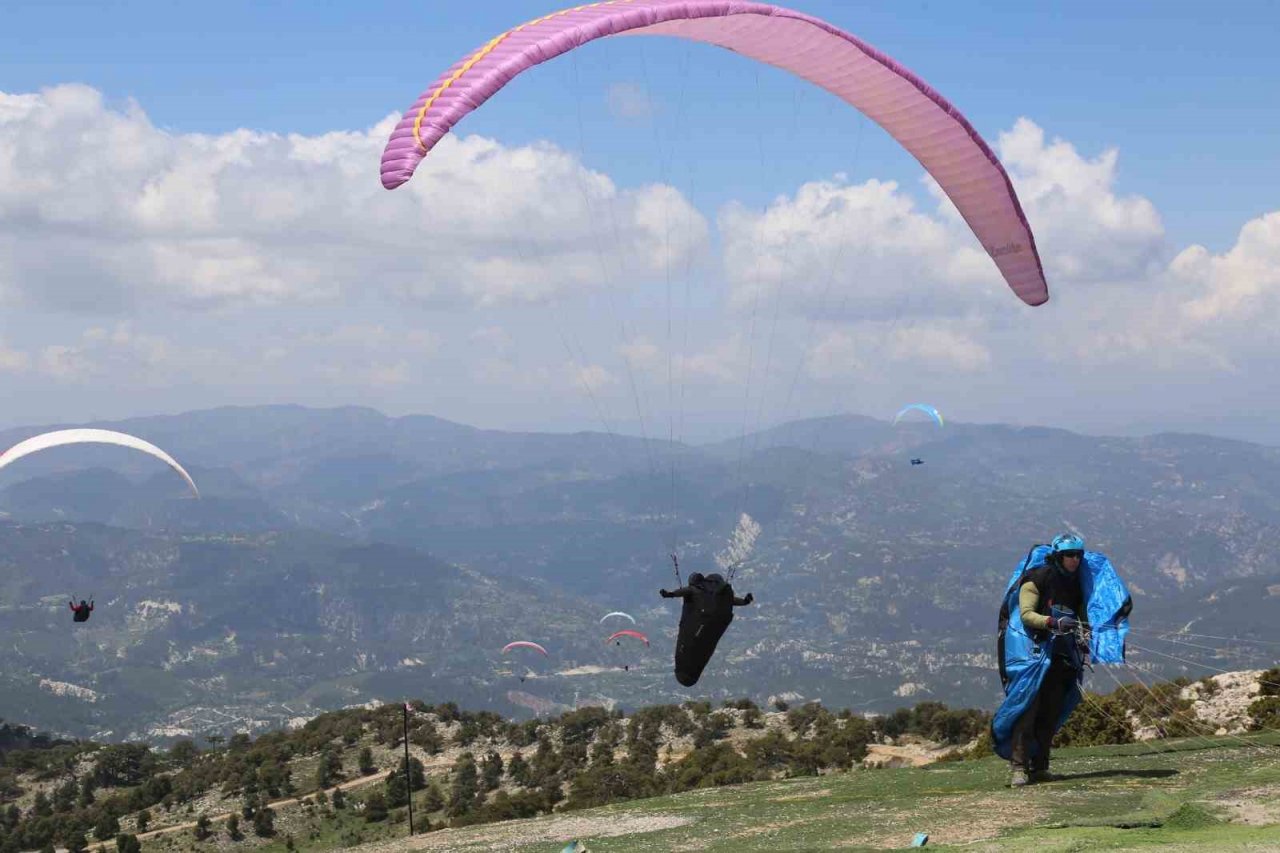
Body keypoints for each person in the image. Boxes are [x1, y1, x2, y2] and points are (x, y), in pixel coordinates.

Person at [1007, 533, 1090, 786]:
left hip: (1062, 657)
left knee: (1051, 712)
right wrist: (1051, 622)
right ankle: (1019, 769)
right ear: (1057, 556)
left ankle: (1040, 766)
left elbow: (1083, 617)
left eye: (1078, 555)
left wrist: (1084, 635)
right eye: (1069, 555)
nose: (1074, 560)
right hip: (1033, 655)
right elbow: (1026, 615)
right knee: (1027, 711)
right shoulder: (1036, 580)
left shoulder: (1078, 584)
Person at [660, 572, 754, 687]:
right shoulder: (717, 596)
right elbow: (732, 600)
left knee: (694, 647)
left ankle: (688, 671)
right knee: (703, 648)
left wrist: (669, 594)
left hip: (697, 629)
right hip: (714, 627)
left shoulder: (695, 590)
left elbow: (683, 592)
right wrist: (745, 601)